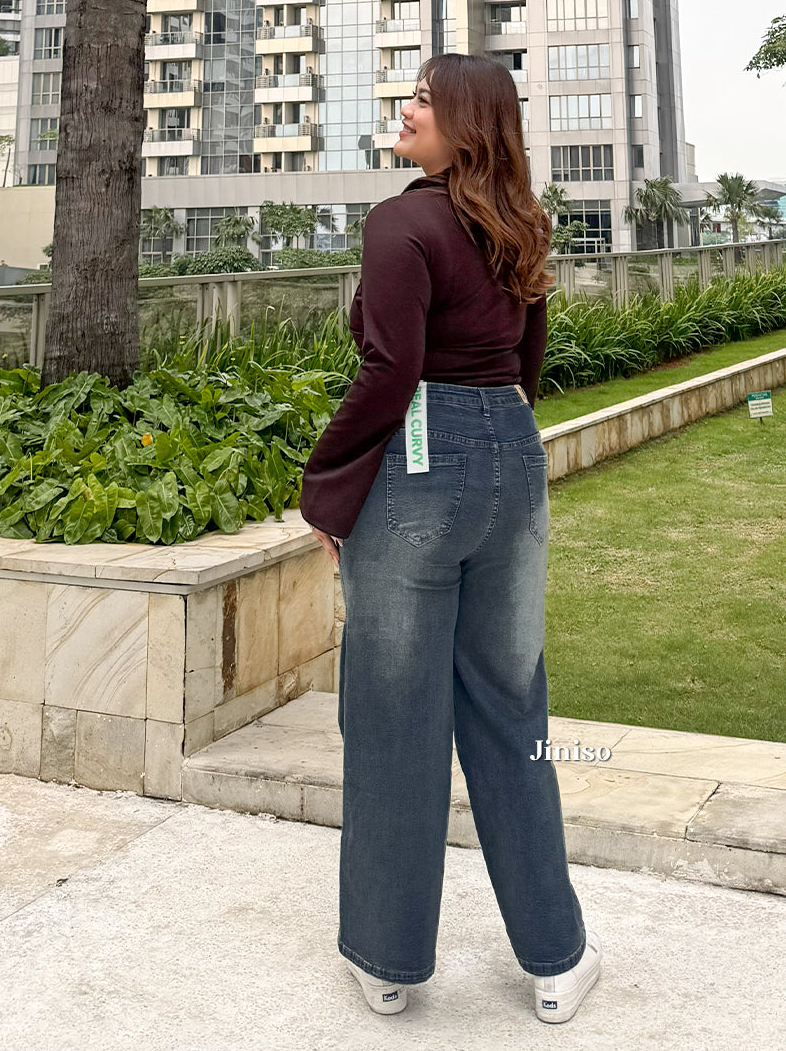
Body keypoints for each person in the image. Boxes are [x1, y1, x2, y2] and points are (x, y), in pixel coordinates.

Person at [297, 51, 602, 1024]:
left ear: (464, 123)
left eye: (423, 100)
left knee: (395, 717)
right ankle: (557, 960)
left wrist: (327, 489)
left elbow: (390, 369)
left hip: (422, 457)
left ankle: (387, 963)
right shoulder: (519, 224)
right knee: (513, 713)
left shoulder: (401, 223)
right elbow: (527, 360)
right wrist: (499, 441)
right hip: (512, 450)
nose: (405, 109)